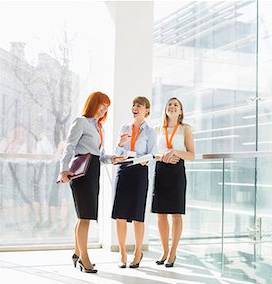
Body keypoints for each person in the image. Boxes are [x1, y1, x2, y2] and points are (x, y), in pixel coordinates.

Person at [57, 91, 125, 273]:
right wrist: (63, 169)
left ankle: (77, 254)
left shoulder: (98, 127)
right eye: (102, 106)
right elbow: (70, 146)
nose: (103, 110)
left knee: (84, 215)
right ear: (93, 104)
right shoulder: (81, 122)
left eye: (106, 108)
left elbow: (98, 155)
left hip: (93, 171)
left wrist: (111, 159)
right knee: (85, 216)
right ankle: (84, 258)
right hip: (81, 173)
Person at [111, 96, 157, 268]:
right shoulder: (124, 127)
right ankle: (122, 253)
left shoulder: (150, 132)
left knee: (138, 216)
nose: (135, 107)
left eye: (139, 105)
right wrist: (119, 145)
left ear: (147, 110)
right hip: (123, 171)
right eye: (133, 105)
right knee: (120, 215)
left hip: (139, 173)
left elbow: (152, 154)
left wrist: (137, 158)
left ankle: (138, 253)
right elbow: (117, 152)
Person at [151, 97, 195, 267]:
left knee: (176, 214)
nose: (172, 107)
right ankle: (164, 251)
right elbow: (153, 153)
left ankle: (173, 253)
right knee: (161, 215)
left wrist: (175, 151)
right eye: (170, 104)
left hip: (177, 172)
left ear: (181, 111)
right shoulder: (158, 129)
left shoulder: (185, 129)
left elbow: (191, 155)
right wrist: (163, 156)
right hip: (161, 170)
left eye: (176, 105)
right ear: (165, 109)